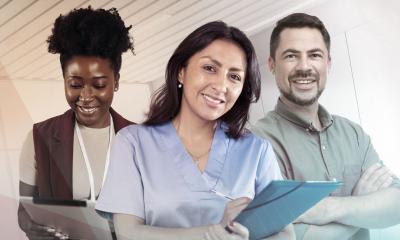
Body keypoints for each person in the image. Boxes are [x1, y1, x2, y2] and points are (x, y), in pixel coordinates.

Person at [95, 21, 295, 240]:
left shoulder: (257, 151)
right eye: (209, 68)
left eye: (234, 76)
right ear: (181, 71)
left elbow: (284, 233)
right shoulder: (132, 143)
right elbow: (128, 233)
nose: (221, 86)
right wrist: (212, 234)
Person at [252, 13, 400, 240]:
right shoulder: (258, 143)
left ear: (328, 63)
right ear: (272, 65)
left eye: (314, 55)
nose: (304, 67)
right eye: (291, 55)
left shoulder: (353, 133)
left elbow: (396, 205)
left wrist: (329, 208)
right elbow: (290, 236)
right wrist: (360, 206)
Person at [18, 6, 134, 239]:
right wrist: (33, 228)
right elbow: (24, 211)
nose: (86, 96)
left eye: (99, 84)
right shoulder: (40, 137)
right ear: (64, 80)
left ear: (116, 81)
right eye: (75, 84)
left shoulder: (141, 140)